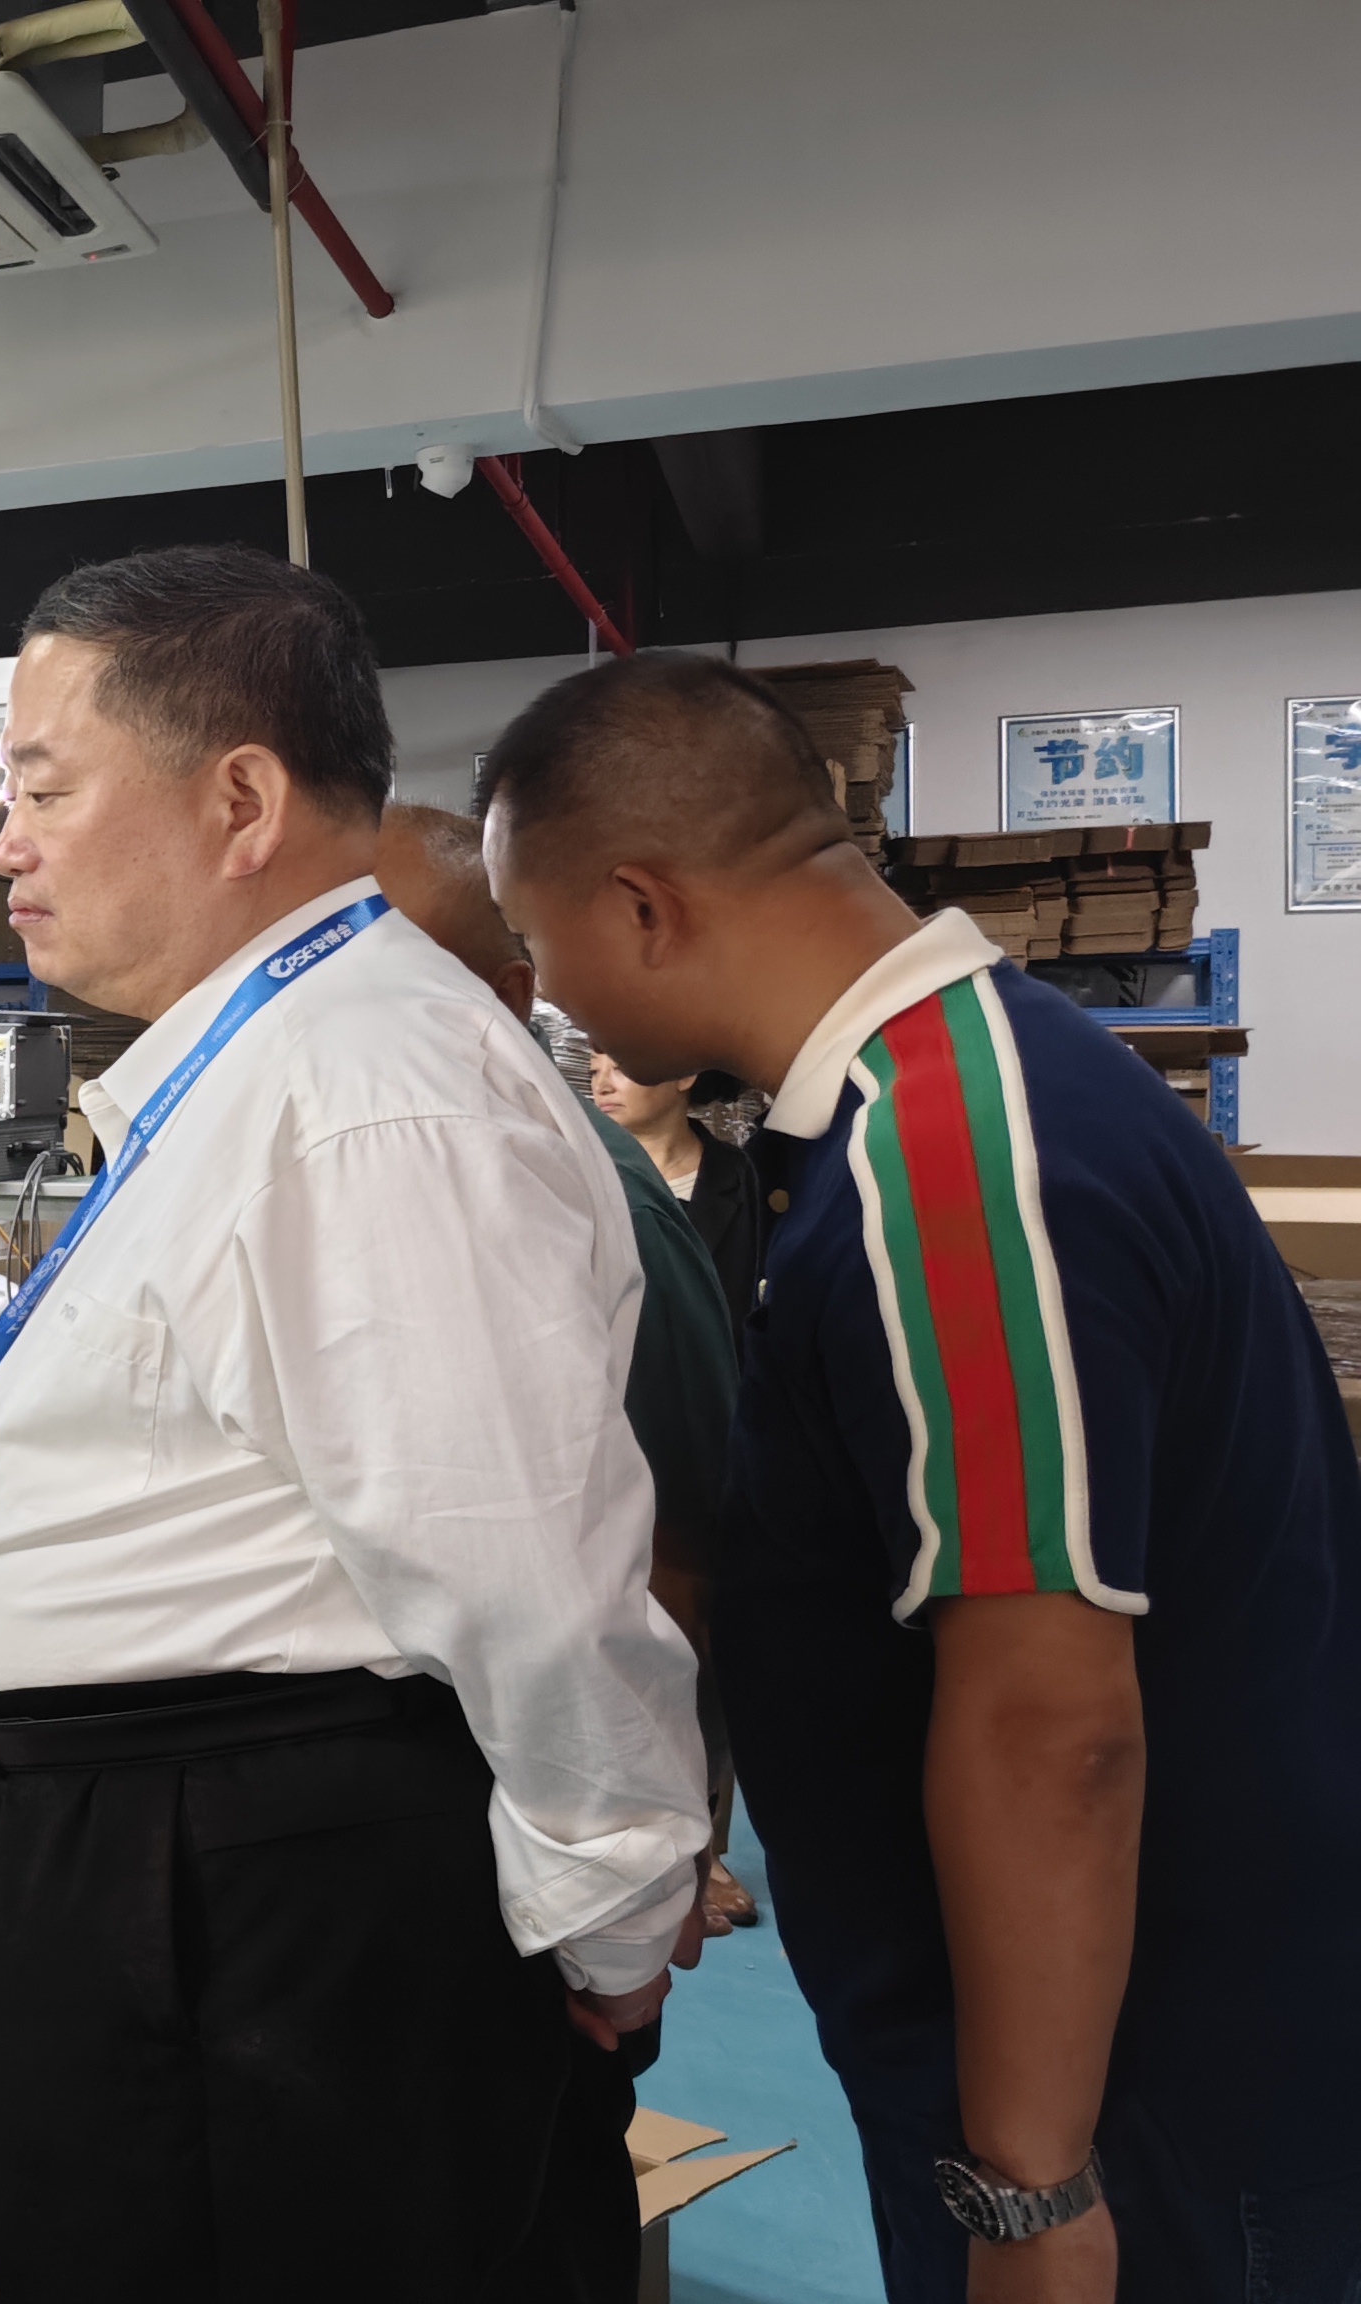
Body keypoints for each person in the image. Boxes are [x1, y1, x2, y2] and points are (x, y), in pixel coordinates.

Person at [482, 650, 1361, 2304]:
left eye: (539, 941)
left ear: (643, 906)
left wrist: (1032, 2188)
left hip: (1139, 2103)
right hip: (1083, 2061)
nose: (549, 993)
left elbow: (1051, 1720)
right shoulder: (941, 1101)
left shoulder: (952, 1161)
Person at [0, 547, 709, 2299]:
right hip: (165, 1873)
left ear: (241, 800)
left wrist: (615, 1910)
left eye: (43, 789)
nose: (5, 844)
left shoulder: (369, 1091)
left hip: (250, 1897)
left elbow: (525, 1571)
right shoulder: (277, 1058)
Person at [379, 807, 753, 1949]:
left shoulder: (598, 1199)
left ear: (501, 999)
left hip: (535, 1827)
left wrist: (647, 1870)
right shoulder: (369, 1178)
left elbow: (679, 1554)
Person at [591, 1052, 774, 1337]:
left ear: (684, 1074)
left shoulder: (748, 1179)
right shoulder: (581, 1178)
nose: (601, 1087)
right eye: (593, 1071)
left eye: (620, 1068)